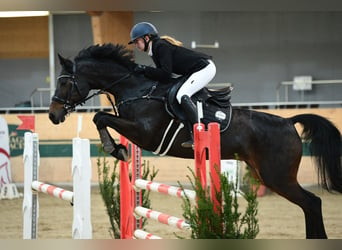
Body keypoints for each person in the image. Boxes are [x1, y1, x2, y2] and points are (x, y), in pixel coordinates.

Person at [128, 22, 216, 148]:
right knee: (178, 93)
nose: (136, 45)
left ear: (147, 38)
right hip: (194, 70)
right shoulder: (155, 50)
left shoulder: (160, 46)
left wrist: (143, 69)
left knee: (182, 95)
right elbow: (163, 77)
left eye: (137, 41)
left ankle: (199, 133)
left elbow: (165, 74)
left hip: (204, 68)